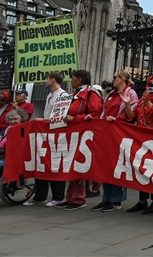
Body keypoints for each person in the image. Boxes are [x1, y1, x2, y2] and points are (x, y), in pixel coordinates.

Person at [91, 69, 138, 212]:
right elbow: (103, 112)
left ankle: (116, 200)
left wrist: (119, 115)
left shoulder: (131, 94)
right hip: (107, 134)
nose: (113, 80)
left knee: (117, 165)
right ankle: (106, 199)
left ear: (123, 79)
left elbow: (131, 116)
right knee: (106, 166)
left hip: (119, 135)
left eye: (115, 77)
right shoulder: (111, 94)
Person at [61, 70, 103, 211]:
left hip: (83, 134)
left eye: (73, 78)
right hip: (73, 133)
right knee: (71, 165)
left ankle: (78, 198)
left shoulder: (91, 93)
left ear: (79, 80)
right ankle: (70, 197)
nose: (71, 81)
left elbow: (95, 114)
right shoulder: (76, 94)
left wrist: (75, 119)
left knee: (79, 164)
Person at [24, 71, 67, 207]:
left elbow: (60, 117)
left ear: (53, 80)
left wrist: (42, 121)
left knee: (55, 165)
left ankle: (58, 196)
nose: (45, 81)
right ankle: (40, 195)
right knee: (41, 163)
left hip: (56, 134)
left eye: (47, 79)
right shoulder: (49, 95)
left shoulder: (63, 96)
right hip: (45, 134)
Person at [126, 75, 153, 215]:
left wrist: (148, 102)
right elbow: (131, 117)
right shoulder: (141, 100)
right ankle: (142, 200)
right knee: (141, 168)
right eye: (150, 83)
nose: (152, 85)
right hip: (141, 139)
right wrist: (127, 104)